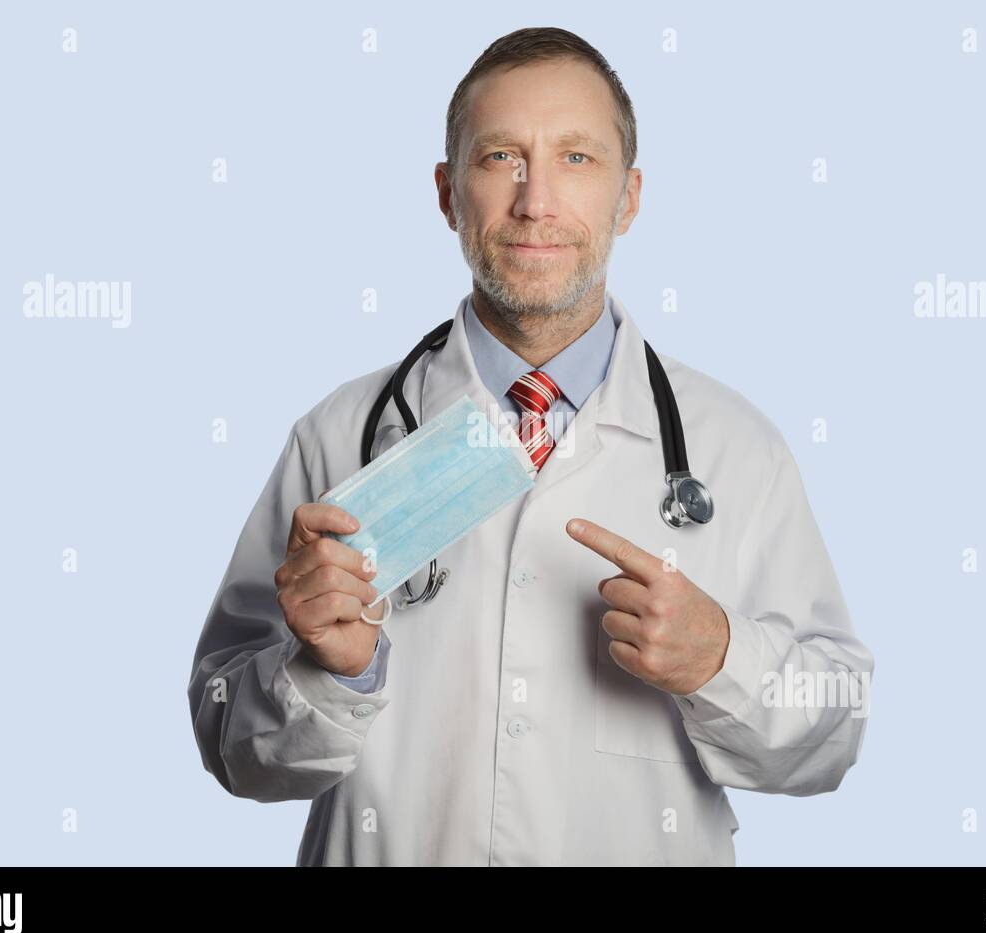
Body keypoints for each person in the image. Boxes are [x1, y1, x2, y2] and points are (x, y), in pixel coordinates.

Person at [187, 26, 873, 866]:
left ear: (629, 197)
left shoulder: (737, 448)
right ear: (447, 193)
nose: (535, 200)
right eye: (500, 157)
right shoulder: (340, 437)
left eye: (577, 159)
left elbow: (836, 728)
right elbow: (228, 740)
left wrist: (721, 660)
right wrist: (329, 673)